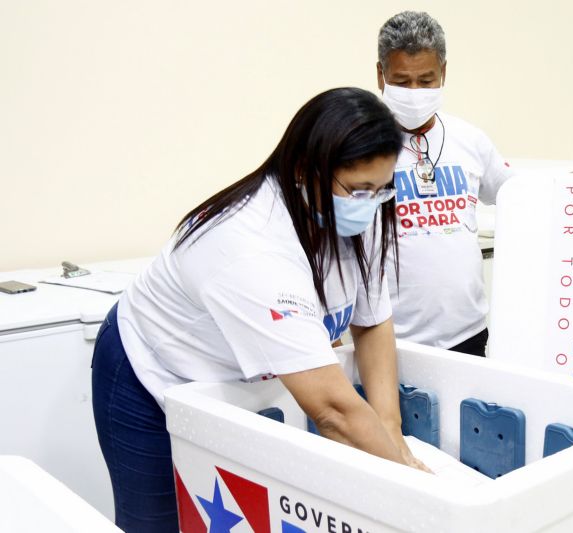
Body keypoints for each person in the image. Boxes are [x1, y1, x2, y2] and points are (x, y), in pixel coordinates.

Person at [91, 87, 427, 532]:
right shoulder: (248, 247)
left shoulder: (357, 212)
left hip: (239, 384)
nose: (371, 203)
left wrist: (393, 434)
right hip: (151, 376)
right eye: (359, 189)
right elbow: (333, 410)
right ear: (307, 170)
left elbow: (372, 323)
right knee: (158, 522)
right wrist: (419, 497)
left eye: (382, 190)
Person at [376, 11, 573, 357]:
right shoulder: (359, 147)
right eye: (402, 81)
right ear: (381, 75)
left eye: (426, 80)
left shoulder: (468, 139)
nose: (415, 92)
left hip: (468, 330)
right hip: (391, 339)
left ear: (444, 73)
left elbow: (516, 193)